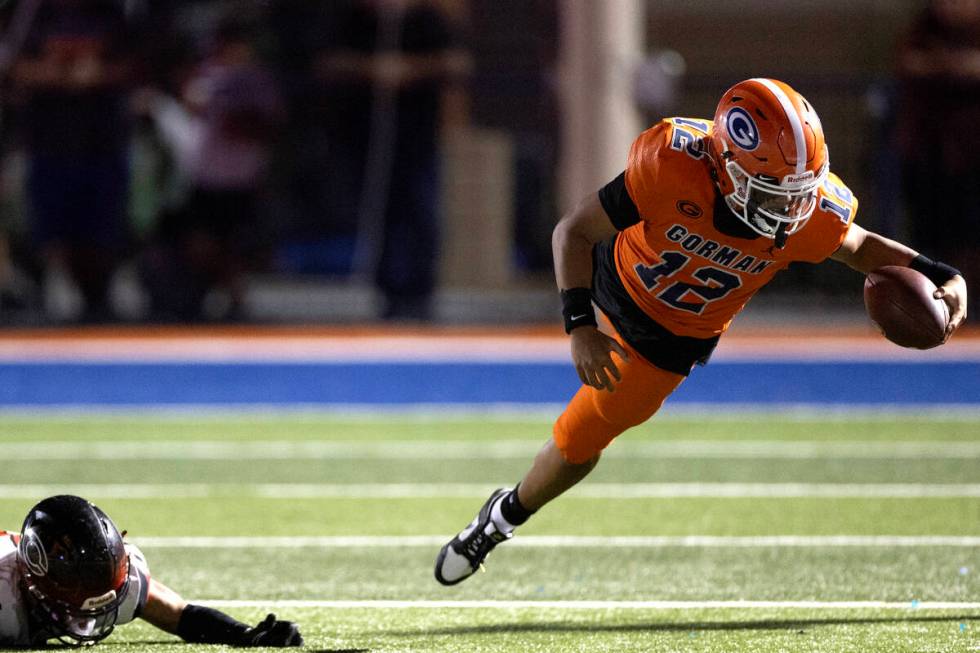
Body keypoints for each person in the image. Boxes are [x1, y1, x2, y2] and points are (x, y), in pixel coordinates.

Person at [434, 78, 968, 586]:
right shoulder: (672, 164)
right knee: (584, 426)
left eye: (800, 191)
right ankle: (498, 523)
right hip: (615, 275)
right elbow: (572, 230)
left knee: (581, 441)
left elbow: (860, 246)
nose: (791, 209)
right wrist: (579, 324)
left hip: (668, 339)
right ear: (728, 166)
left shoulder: (808, 214)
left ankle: (504, 514)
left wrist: (943, 274)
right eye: (775, 191)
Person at [315, 0, 470, 321]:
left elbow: (457, 64)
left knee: (420, 211)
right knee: (380, 211)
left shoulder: (426, 19)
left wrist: (410, 70)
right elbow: (328, 62)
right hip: (367, 138)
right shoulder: (355, 18)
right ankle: (387, 289)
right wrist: (371, 69)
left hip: (418, 137)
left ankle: (419, 289)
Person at [0, 495, 302, 647]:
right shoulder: (5, 591)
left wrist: (245, 634)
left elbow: (180, 615)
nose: (90, 608)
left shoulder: (117, 578)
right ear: (35, 573)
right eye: (83, 579)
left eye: (101, 574)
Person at [9, 0, 137, 322]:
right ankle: (56, 286)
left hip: (102, 139)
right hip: (50, 139)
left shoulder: (109, 12)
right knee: (51, 222)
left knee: (102, 224)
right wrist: (55, 74)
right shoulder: (37, 11)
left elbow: (135, 63)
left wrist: (97, 74)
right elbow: (14, 64)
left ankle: (102, 293)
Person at [895, 0, 980, 321]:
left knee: (971, 238)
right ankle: (927, 307)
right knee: (930, 237)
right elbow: (909, 63)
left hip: (972, 160)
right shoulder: (926, 28)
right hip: (930, 157)